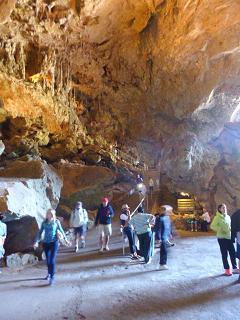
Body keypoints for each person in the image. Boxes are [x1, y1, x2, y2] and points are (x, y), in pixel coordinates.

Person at [34, 209, 70, 285]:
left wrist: (66, 239)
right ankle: (49, 273)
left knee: (52, 260)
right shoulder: (44, 223)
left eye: (51, 214)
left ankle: (52, 277)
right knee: (48, 260)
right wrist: (36, 241)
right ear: (47, 215)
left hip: (54, 243)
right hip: (46, 243)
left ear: (53, 215)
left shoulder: (56, 222)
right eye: (48, 214)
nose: (49, 215)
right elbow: (40, 232)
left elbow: (61, 230)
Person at [210, 204, 238, 276]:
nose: (225, 209)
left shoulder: (228, 217)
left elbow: (230, 226)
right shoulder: (217, 218)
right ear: (219, 209)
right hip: (222, 238)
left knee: (232, 253)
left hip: (229, 237)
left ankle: (235, 268)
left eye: (225, 207)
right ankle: (227, 270)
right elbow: (212, 226)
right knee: (224, 254)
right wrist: (220, 229)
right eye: (223, 208)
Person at [158, 206, 172, 270]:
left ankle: (163, 264)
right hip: (162, 237)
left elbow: (168, 226)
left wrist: (169, 234)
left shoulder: (166, 217)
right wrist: (158, 238)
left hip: (165, 236)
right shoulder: (159, 218)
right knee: (163, 251)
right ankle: (162, 264)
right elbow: (157, 229)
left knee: (165, 251)